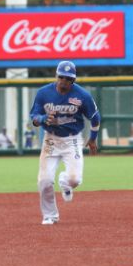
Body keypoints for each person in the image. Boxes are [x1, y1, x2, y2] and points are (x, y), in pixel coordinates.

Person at [29, 61, 100, 225]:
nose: (64, 81)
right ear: (56, 76)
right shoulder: (43, 93)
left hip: (72, 139)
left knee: (75, 180)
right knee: (44, 180)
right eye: (61, 77)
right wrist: (42, 118)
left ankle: (64, 181)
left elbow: (95, 117)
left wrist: (93, 138)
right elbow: (34, 117)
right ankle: (50, 215)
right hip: (51, 139)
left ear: (73, 80)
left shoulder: (82, 95)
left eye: (68, 78)